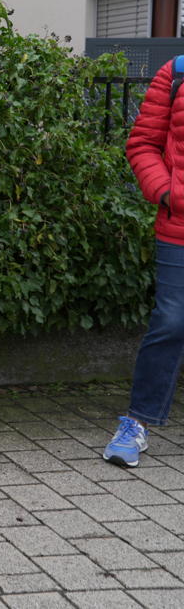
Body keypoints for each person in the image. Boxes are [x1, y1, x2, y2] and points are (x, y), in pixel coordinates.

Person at [111, 56, 184, 467]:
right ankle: (137, 423)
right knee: (172, 321)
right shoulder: (176, 73)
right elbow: (142, 143)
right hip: (179, 228)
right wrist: (166, 192)